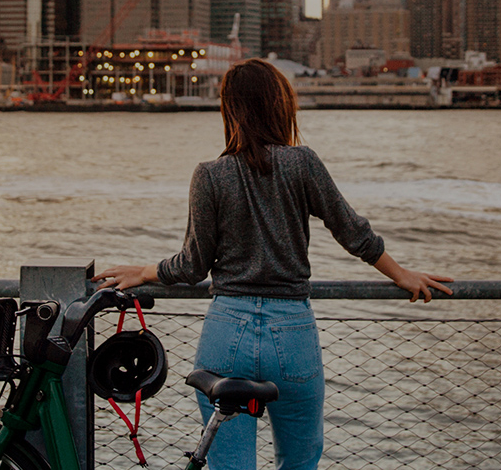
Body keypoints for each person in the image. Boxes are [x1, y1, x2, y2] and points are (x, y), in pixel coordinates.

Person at [93, 58, 453, 470]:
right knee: (300, 463)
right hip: (293, 333)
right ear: (280, 106)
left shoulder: (209, 175)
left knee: (231, 467)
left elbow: (192, 266)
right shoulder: (303, 163)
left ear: (230, 110)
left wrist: (143, 272)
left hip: (227, 330)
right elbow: (354, 233)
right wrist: (402, 275)